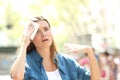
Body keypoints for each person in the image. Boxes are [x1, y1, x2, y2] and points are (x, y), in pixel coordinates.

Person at [10, 16, 100, 80]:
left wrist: (90, 52)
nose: (43, 34)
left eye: (46, 29)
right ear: (31, 37)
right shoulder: (25, 62)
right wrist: (25, 43)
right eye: (37, 31)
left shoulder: (67, 62)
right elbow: (16, 77)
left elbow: (95, 78)